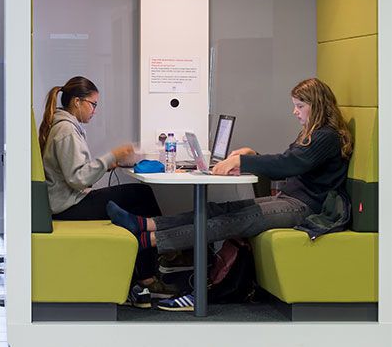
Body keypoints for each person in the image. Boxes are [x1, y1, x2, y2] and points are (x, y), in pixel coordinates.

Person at [107, 78, 353, 310]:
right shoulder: (312, 133)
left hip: (305, 207)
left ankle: (146, 241)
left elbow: (290, 165)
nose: (295, 112)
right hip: (289, 200)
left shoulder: (326, 136)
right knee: (219, 209)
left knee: (229, 222)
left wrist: (243, 161)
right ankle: (144, 224)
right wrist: (252, 155)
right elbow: (289, 163)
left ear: (317, 105)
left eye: (300, 106)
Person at [39, 76, 165, 301]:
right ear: (77, 102)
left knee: (139, 197)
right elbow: (78, 178)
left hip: (69, 201)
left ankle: (147, 269)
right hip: (68, 207)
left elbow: (75, 172)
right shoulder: (66, 130)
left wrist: (111, 164)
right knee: (141, 195)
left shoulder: (64, 126)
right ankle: (151, 271)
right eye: (93, 104)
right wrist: (111, 157)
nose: (94, 110)